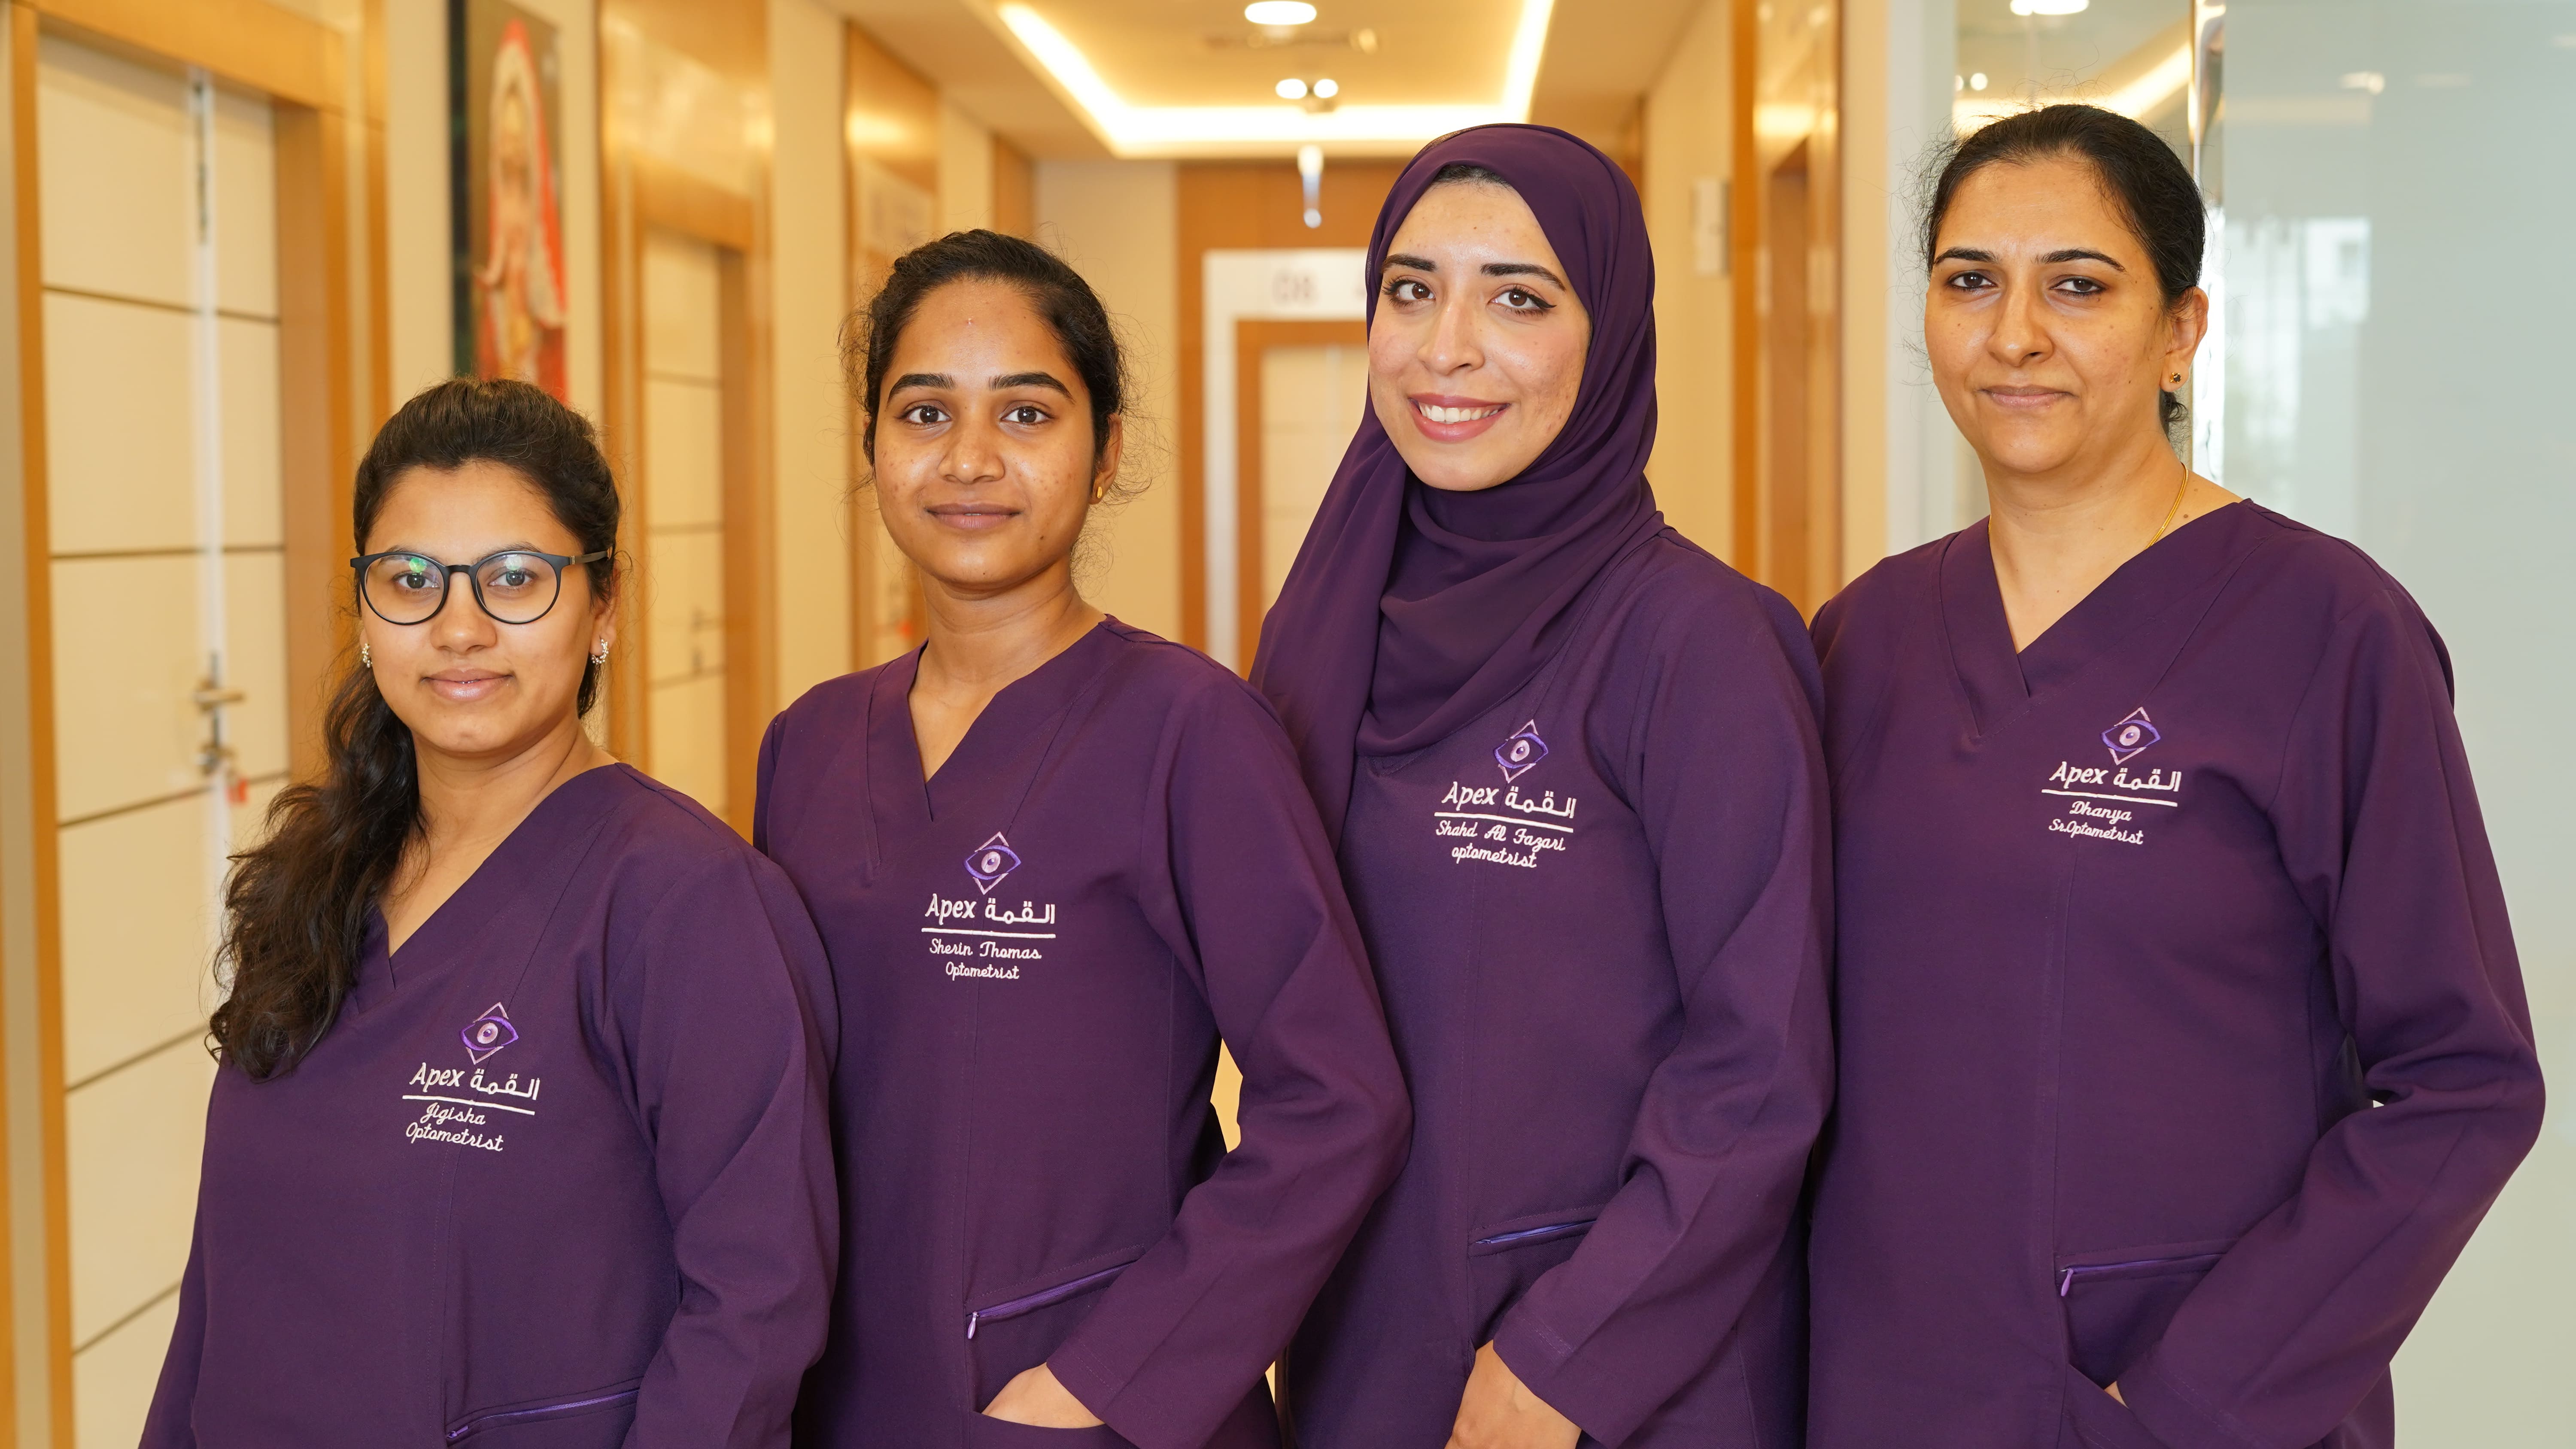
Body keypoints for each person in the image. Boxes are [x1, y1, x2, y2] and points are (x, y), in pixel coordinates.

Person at [1804, 104, 2546, 1449]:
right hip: (1874, 1387)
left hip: (2172, 1404)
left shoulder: (2328, 630)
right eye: (1971, 280)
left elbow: (2465, 1081)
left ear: (2181, 332)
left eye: (2077, 285)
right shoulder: (1860, 638)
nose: (2013, 333)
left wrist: (2194, 1400)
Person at [758, 229, 1410, 1449]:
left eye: (1026, 413)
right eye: (923, 412)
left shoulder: (1194, 732)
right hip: (846, 1395)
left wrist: (1108, 1380)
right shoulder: (805, 746)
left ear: (1106, 451)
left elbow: (1339, 1102)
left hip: (1092, 1399)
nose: (968, 460)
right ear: (871, 446)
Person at [1253, 126, 1832, 1449]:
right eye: (1411, 289)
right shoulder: (1326, 628)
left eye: (1519, 297)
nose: (1446, 347)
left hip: (1616, 1367)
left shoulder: (1700, 644)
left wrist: (1558, 1364)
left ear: (1610, 332)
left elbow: (1758, 1065)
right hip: (1363, 1331)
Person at [144, 379, 838, 1447]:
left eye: (517, 578)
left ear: (604, 605)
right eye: (411, 579)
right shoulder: (316, 878)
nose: (459, 628)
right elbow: (222, 1276)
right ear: (367, 610)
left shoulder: (686, 904)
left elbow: (756, 1306)